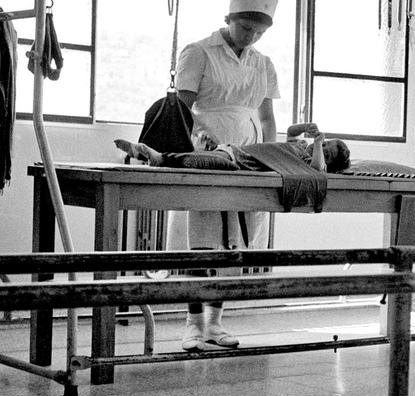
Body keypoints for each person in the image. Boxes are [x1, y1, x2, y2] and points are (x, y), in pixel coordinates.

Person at [169, 0, 281, 351]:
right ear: (229, 19)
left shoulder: (263, 64)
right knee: (201, 242)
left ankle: (216, 323)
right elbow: (179, 110)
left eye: (259, 33)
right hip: (205, 156)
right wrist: (195, 142)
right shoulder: (199, 52)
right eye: (246, 29)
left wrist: (271, 156)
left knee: (237, 242)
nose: (251, 38)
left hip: (248, 160)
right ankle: (192, 324)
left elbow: (266, 120)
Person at [116, 122, 350, 174]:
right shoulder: (299, 146)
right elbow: (289, 133)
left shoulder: (308, 166)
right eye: (327, 144)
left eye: (327, 152)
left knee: (216, 163)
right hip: (238, 153)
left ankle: (151, 155)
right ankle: (158, 157)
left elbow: (318, 171)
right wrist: (304, 128)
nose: (322, 147)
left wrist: (319, 144)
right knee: (217, 161)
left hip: (240, 163)